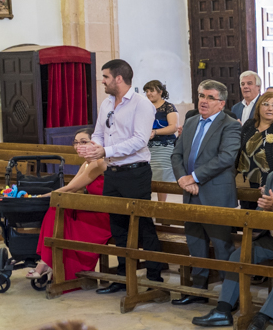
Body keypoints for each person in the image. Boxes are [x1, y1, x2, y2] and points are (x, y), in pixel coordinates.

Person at [192, 140, 273, 330]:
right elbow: (263, 208)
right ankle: (223, 310)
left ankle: (264, 316)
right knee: (239, 255)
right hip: (272, 236)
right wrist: (259, 212)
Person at [78, 59, 165, 293]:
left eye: (105, 76)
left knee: (143, 224)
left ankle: (155, 278)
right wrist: (90, 146)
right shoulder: (107, 103)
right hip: (113, 172)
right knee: (118, 226)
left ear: (118, 78)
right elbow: (99, 133)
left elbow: (139, 140)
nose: (102, 81)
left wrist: (105, 151)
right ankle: (124, 276)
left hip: (135, 172)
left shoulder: (141, 104)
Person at [170, 79, 242, 304]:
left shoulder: (230, 125)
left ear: (221, 103)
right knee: (195, 244)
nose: (204, 101)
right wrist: (183, 178)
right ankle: (198, 291)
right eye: (202, 96)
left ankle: (229, 298)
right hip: (191, 193)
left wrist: (195, 176)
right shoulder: (191, 122)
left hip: (216, 194)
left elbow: (226, 158)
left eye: (210, 97)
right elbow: (177, 155)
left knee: (222, 247)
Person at [30, 128, 112, 281]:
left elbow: (72, 188)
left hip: (103, 215)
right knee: (56, 209)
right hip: (92, 209)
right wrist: (41, 197)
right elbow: (71, 187)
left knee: (56, 210)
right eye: (75, 143)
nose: (78, 146)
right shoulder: (86, 164)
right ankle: (48, 261)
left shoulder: (98, 163)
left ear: (95, 143)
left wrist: (41, 197)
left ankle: (48, 263)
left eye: (83, 142)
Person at [237, 90, 273, 207]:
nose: (270, 108)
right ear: (259, 107)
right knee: (246, 216)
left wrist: (272, 183)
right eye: (266, 104)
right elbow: (239, 150)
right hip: (247, 181)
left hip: (270, 182)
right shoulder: (249, 124)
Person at [143, 80, 178, 200]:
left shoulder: (168, 107)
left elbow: (173, 127)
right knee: (146, 175)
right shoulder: (144, 107)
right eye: (146, 91)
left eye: (151, 90)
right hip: (146, 147)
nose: (148, 93)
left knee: (161, 176)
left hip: (164, 145)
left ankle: (161, 206)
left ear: (160, 91)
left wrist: (155, 132)